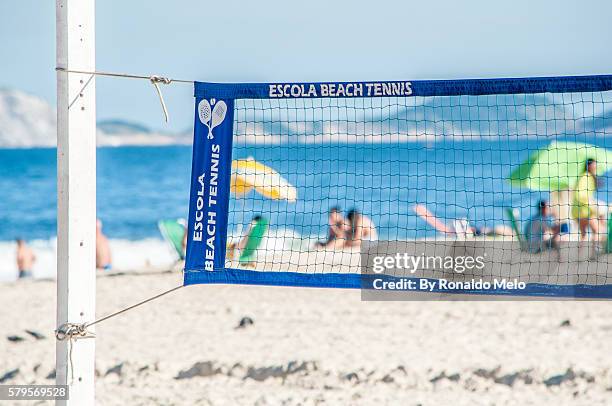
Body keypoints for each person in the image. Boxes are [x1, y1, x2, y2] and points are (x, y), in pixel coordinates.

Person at [572, 158, 608, 241]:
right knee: (598, 231)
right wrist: (593, 206)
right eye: (594, 164)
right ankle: (594, 253)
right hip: (584, 210)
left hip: (577, 211)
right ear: (589, 166)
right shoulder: (586, 177)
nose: (596, 166)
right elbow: (580, 194)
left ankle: (581, 254)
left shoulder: (584, 176)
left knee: (584, 235)